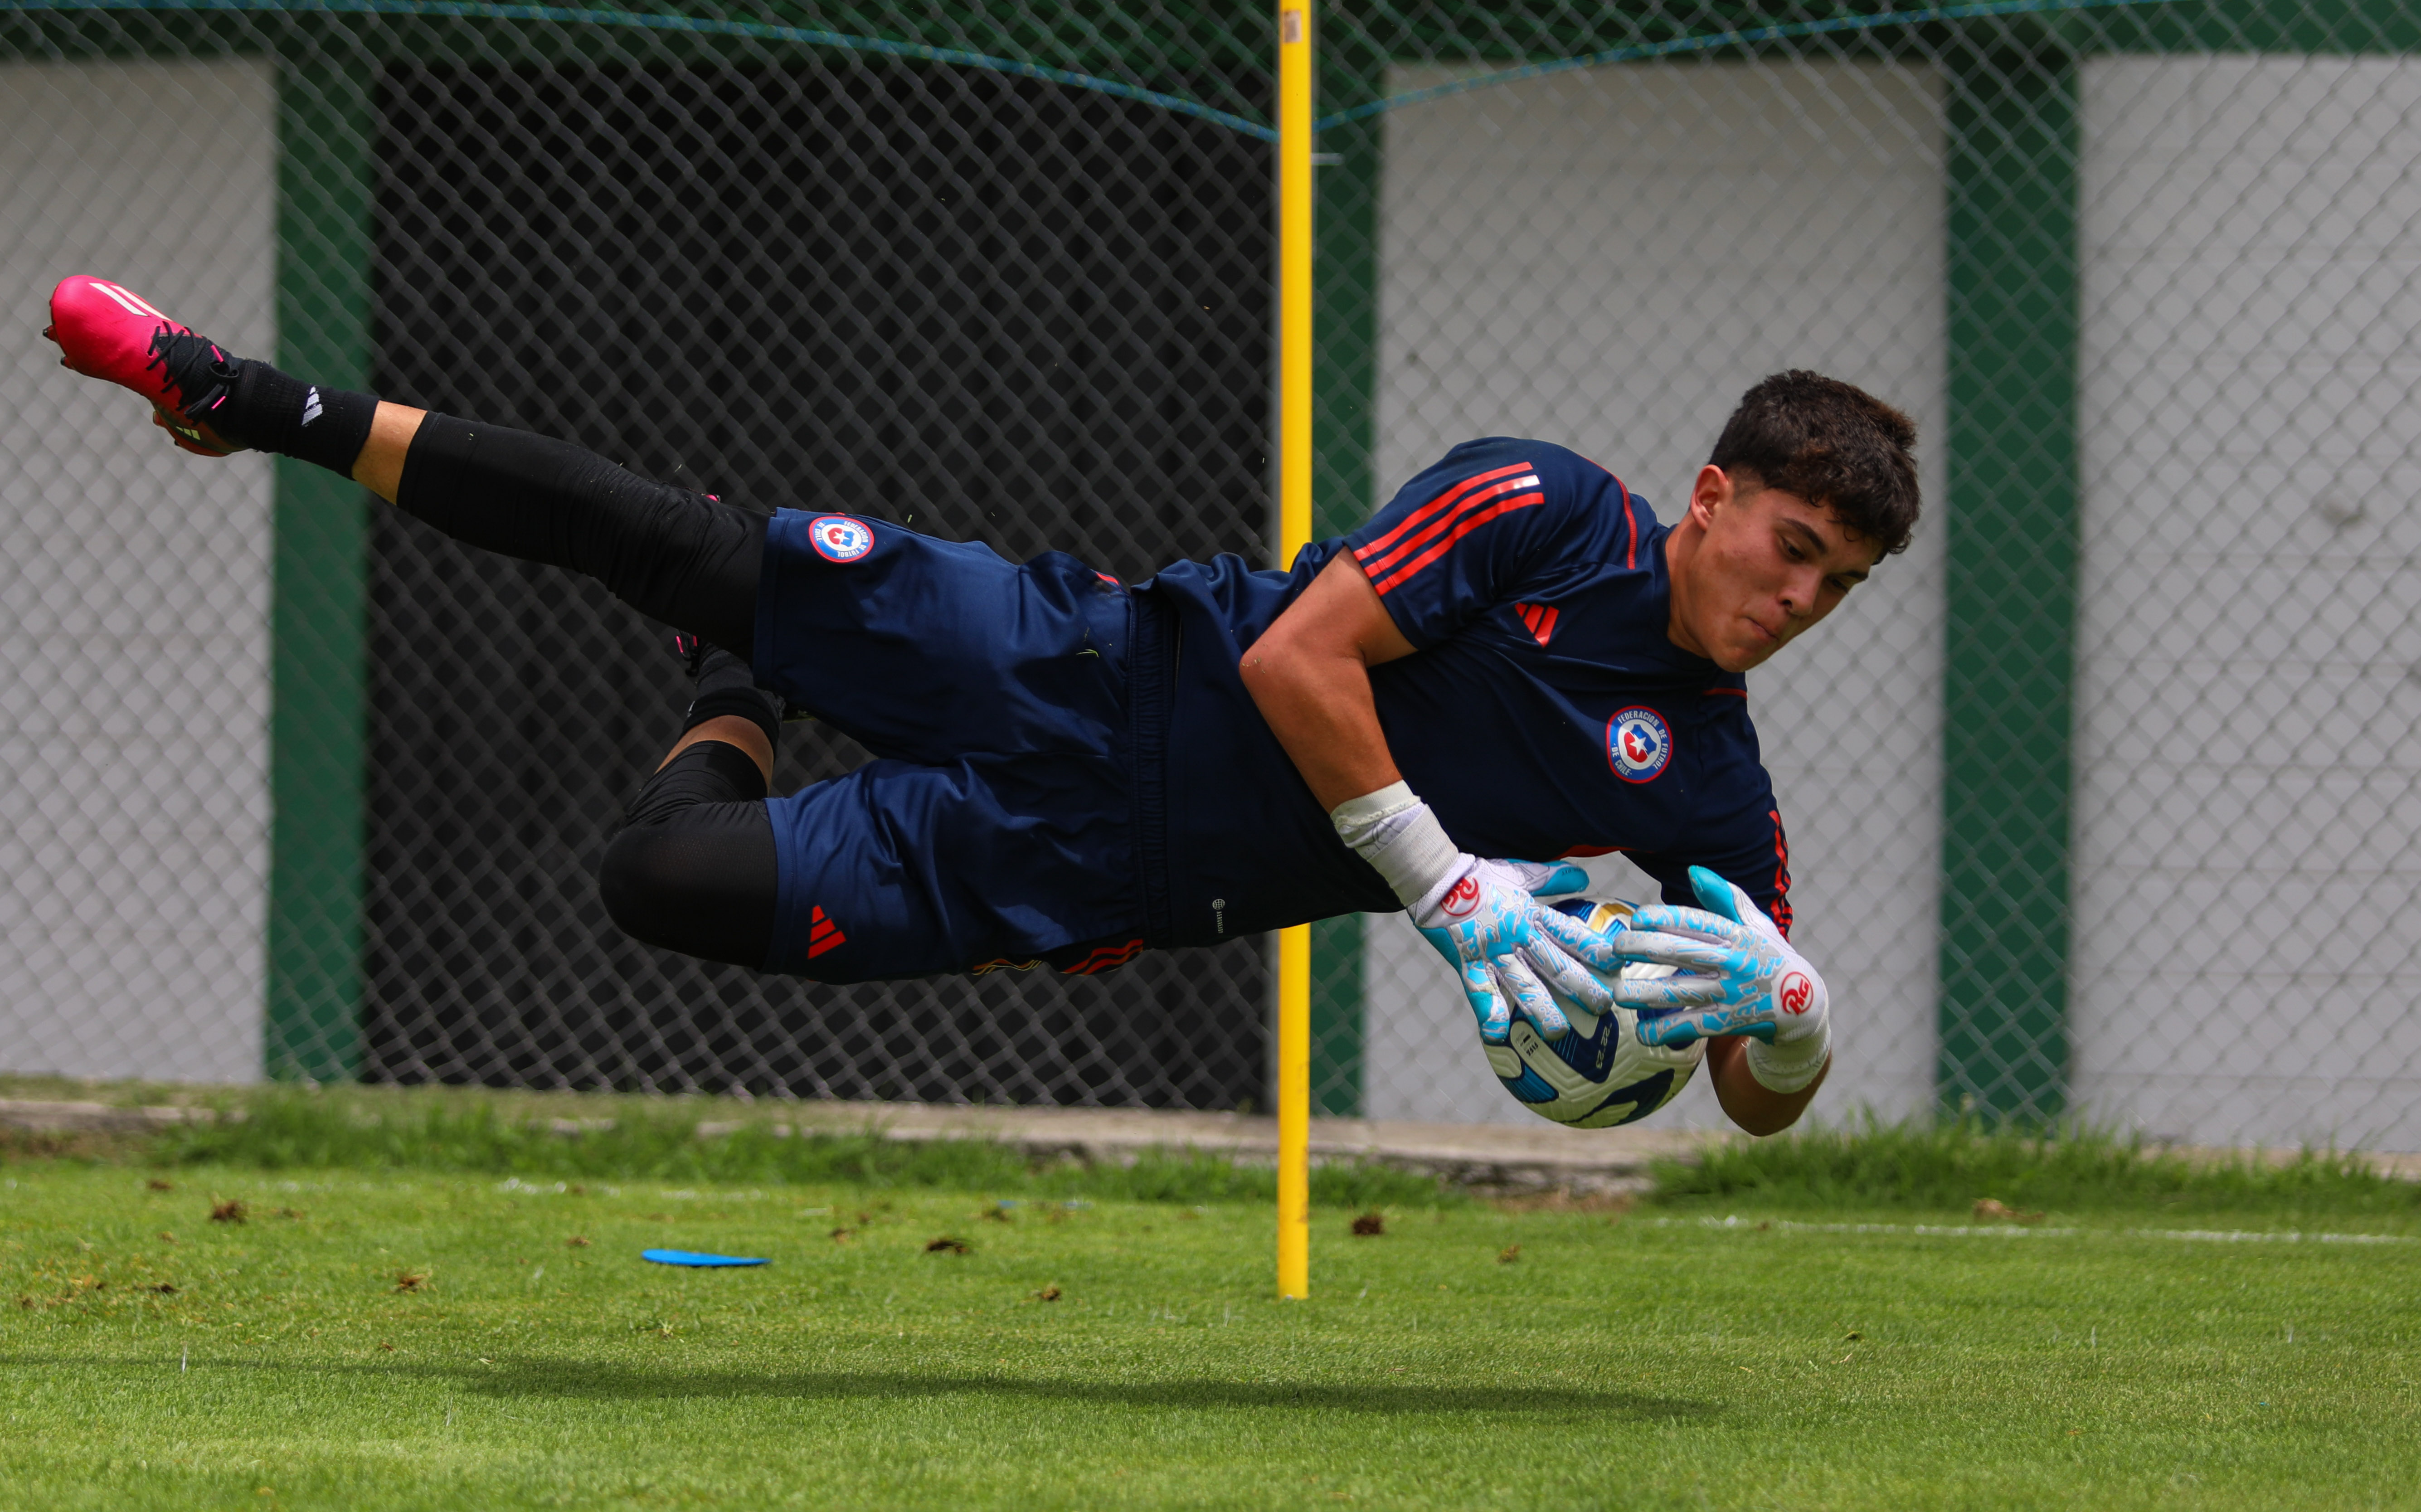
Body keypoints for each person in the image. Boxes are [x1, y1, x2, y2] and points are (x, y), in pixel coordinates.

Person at [45, 272, 1918, 1135]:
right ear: (1714, 496)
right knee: (673, 540)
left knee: (659, 876)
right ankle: (251, 398)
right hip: (1085, 657)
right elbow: (1297, 661)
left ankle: (732, 691)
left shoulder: (1716, 789)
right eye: (1795, 542)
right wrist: (1453, 890)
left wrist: (1798, 1021)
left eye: (1839, 580)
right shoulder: (1546, 506)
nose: (1803, 593)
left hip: (1085, 868)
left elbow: (1750, 1088)